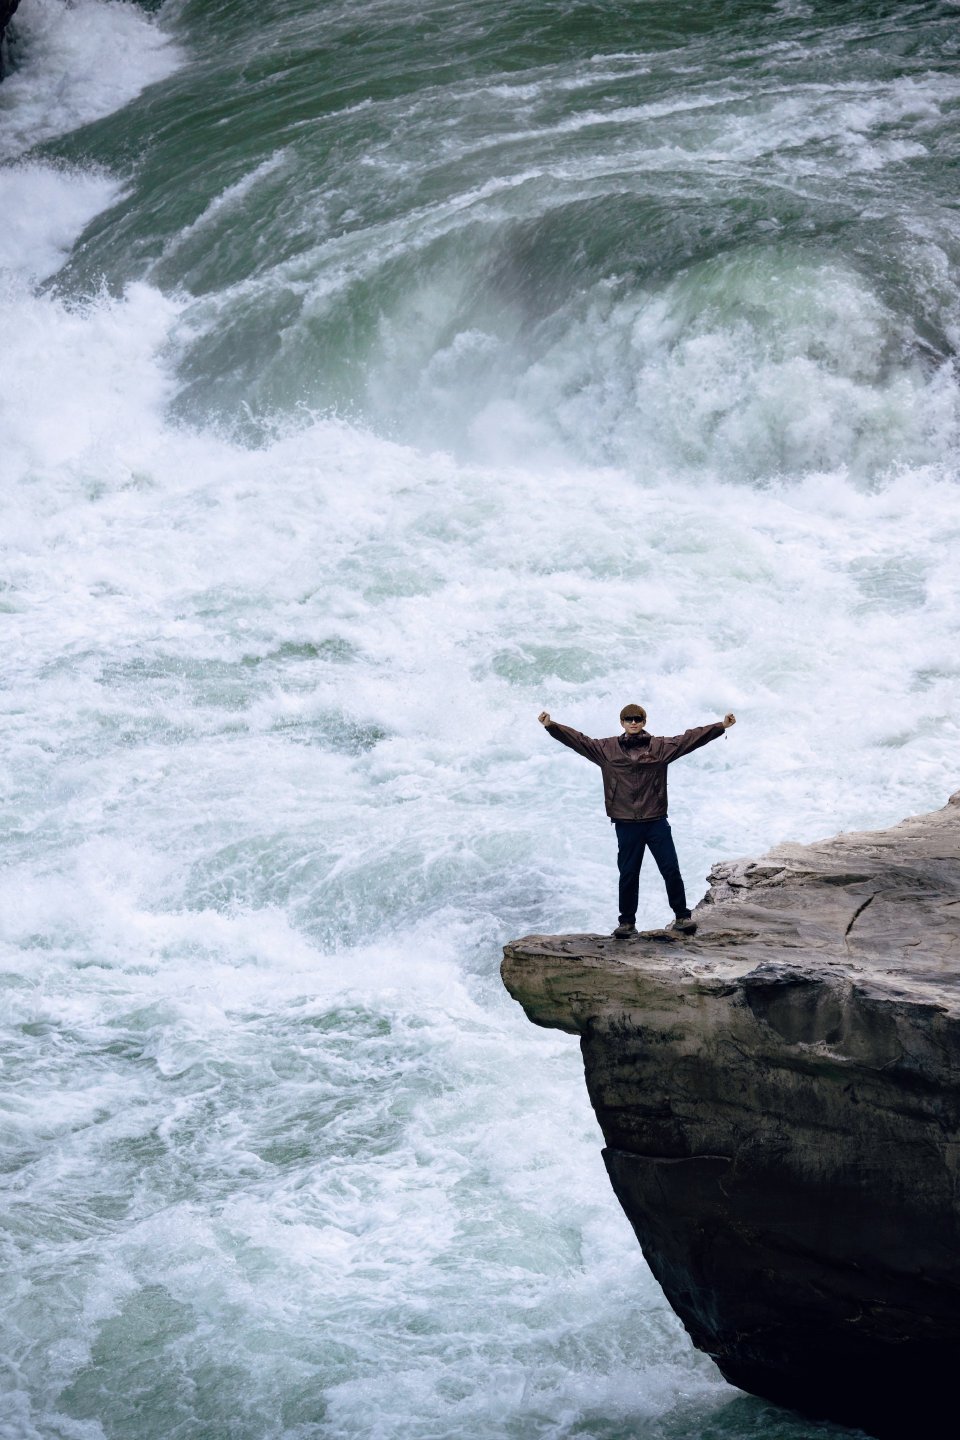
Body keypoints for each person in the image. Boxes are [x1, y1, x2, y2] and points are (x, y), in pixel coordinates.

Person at [538, 703, 736, 938]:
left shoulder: (660, 748)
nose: (633, 722)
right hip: (625, 823)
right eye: (629, 719)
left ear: (644, 722)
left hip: (655, 821)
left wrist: (721, 726)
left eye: (638, 719)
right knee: (629, 873)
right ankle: (627, 923)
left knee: (670, 869)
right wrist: (551, 726)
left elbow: (689, 739)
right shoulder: (606, 749)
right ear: (622, 722)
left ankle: (682, 917)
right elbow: (578, 740)